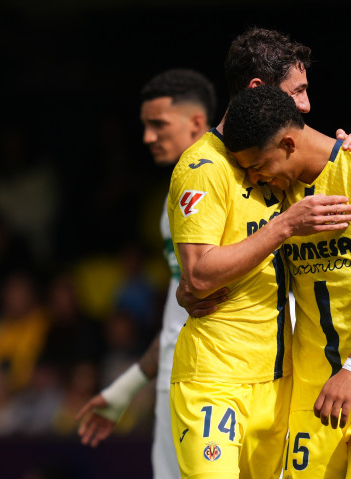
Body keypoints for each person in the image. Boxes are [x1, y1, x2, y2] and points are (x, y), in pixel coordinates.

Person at [167, 27, 351, 479]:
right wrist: (284, 226)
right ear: (258, 89)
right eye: (296, 91)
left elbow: (332, 159)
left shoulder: (282, 161)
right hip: (216, 376)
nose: (306, 105)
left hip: (280, 381)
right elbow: (199, 275)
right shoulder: (203, 167)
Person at [222, 85, 351, 479]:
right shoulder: (277, 196)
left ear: (289, 143)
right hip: (313, 389)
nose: (255, 177)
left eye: (259, 165)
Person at [75, 68, 226, 479]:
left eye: (158, 125)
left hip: (223, 384)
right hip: (175, 379)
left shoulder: (232, 184)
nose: (147, 137)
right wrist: (126, 387)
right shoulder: (173, 196)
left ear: (196, 122)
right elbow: (180, 317)